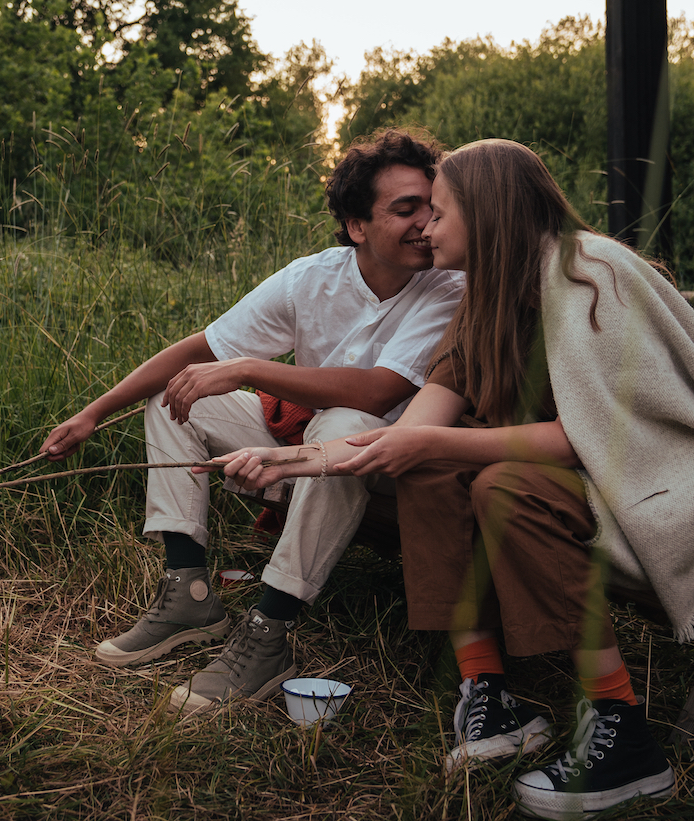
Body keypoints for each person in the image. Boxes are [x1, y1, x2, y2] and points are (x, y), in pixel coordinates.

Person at [214, 139, 688, 818]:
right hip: (568, 485)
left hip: (645, 486)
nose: (427, 228)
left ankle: (623, 731)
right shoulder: (484, 302)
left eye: (439, 213)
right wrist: (291, 460)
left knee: (496, 481)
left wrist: (433, 441)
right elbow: (417, 432)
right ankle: (490, 698)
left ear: (486, 212)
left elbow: (599, 435)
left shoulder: (590, 272)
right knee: (437, 460)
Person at [41, 129, 465, 715]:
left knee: (344, 417)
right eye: (405, 208)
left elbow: (381, 389)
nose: (425, 222)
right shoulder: (314, 277)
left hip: (390, 466)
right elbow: (202, 348)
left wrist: (250, 370)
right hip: (312, 449)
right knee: (180, 395)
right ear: (357, 224)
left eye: (431, 206)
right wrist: (92, 413)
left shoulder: (448, 285)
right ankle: (188, 592)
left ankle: (269, 631)